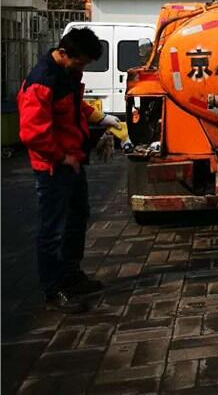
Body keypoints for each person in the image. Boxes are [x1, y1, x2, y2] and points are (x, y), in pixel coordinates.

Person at [17, 27, 122, 312]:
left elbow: (75, 108)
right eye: (81, 62)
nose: (83, 67)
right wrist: (62, 157)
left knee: (77, 218)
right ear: (63, 53)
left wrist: (102, 117)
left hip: (73, 162)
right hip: (53, 168)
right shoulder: (43, 81)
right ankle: (53, 290)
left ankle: (71, 275)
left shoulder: (68, 75)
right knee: (53, 228)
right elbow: (32, 133)